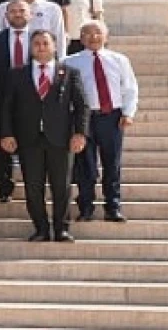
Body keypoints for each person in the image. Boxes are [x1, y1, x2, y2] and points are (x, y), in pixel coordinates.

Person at [0, 30, 88, 243]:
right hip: (29, 139)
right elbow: (7, 107)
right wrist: (7, 134)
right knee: (33, 186)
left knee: (61, 187)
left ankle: (62, 229)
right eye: (37, 43)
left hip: (60, 139)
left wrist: (80, 133)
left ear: (54, 46)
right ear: (31, 47)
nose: (41, 47)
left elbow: (81, 105)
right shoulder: (17, 74)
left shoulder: (68, 72)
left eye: (45, 43)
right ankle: (40, 228)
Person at [65, 21, 139, 223]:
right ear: (80, 38)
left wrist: (128, 112)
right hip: (84, 119)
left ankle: (112, 206)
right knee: (85, 165)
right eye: (87, 33)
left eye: (97, 33)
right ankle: (86, 206)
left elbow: (130, 88)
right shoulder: (70, 62)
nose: (93, 37)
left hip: (112, 117)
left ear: (106, 36)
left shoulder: (119, 60)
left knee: (112, 163)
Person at [0, 0, 34, 203]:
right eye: (13, 11)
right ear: (6, 16)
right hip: (2, 98)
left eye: (22, 11)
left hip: (31, 100)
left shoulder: (40, 38)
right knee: (0, 148)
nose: (18, 14)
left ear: (29, 14)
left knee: (30, 146)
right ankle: (4, 188)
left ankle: (33, 188)